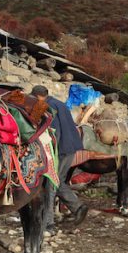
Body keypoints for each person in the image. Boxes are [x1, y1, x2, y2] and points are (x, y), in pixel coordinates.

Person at [31, 85, 88, 234]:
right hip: (70, 147)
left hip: (59, 149)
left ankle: (48, 223)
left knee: (51, 182)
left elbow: (53, 132)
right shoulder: (59, 103)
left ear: (37, 96)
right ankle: (77, 206)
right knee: (58, 181)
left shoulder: (46, 106)